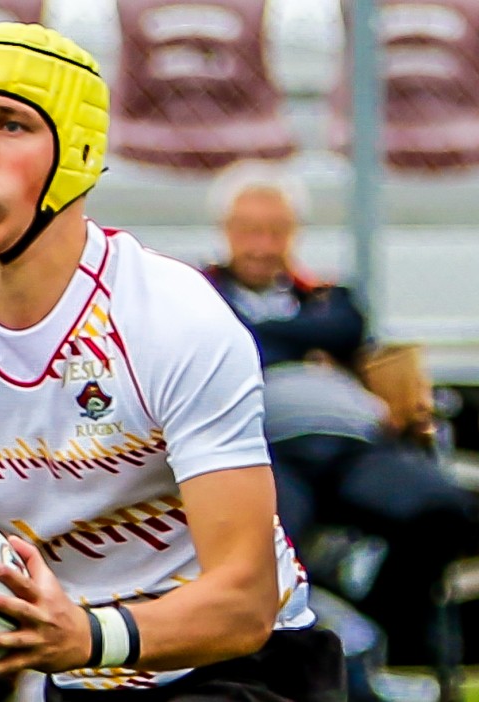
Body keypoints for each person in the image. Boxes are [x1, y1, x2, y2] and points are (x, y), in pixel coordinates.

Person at [0, 22, 345, 701]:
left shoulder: (171, 319)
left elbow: (245, 603)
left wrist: (88, 635)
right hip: (73, 675)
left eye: (11, 125)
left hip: (243, 671)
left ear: (76, 151)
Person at [202, 159, 479, 670]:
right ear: (226, 232)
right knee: (262, 538)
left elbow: (347, 327)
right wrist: (310, 344)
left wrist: (271, 342)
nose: (262, 244)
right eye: (249, 231)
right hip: (263, 450)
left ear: (295, 234)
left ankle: (388, 626)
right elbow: (326, 335)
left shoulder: (333, 297)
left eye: (275, 230)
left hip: (356, 446)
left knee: (445, 511)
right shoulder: (197, 296)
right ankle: (293, 654)